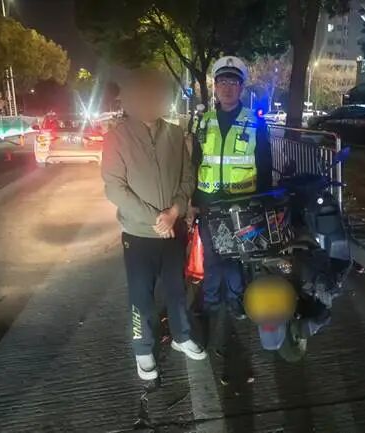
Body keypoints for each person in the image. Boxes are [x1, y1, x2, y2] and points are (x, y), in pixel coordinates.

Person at [101, 69, 207, 381]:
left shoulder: (174, 134)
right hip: (139, 234)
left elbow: (187, 177)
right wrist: (156, 219)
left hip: (174, 230)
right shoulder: (116, 137)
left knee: (177, 289)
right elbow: (115, 188)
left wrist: (175, 211)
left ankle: (181, 336)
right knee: (141, 296)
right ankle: (143, 348)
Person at [190, 56, 273, 319]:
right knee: (212, 256)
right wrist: (192, 200)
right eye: (222, 82)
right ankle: (211, 301)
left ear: (241, 88)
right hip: (209, 201)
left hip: (243, 203)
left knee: (237, 255)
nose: (227, 88)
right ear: (215, 86)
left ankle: (236, 301)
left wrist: (262, 200)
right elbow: (195, 162)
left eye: (233, 83)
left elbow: (265, 164)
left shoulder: (256, 122)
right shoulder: (203, 121)